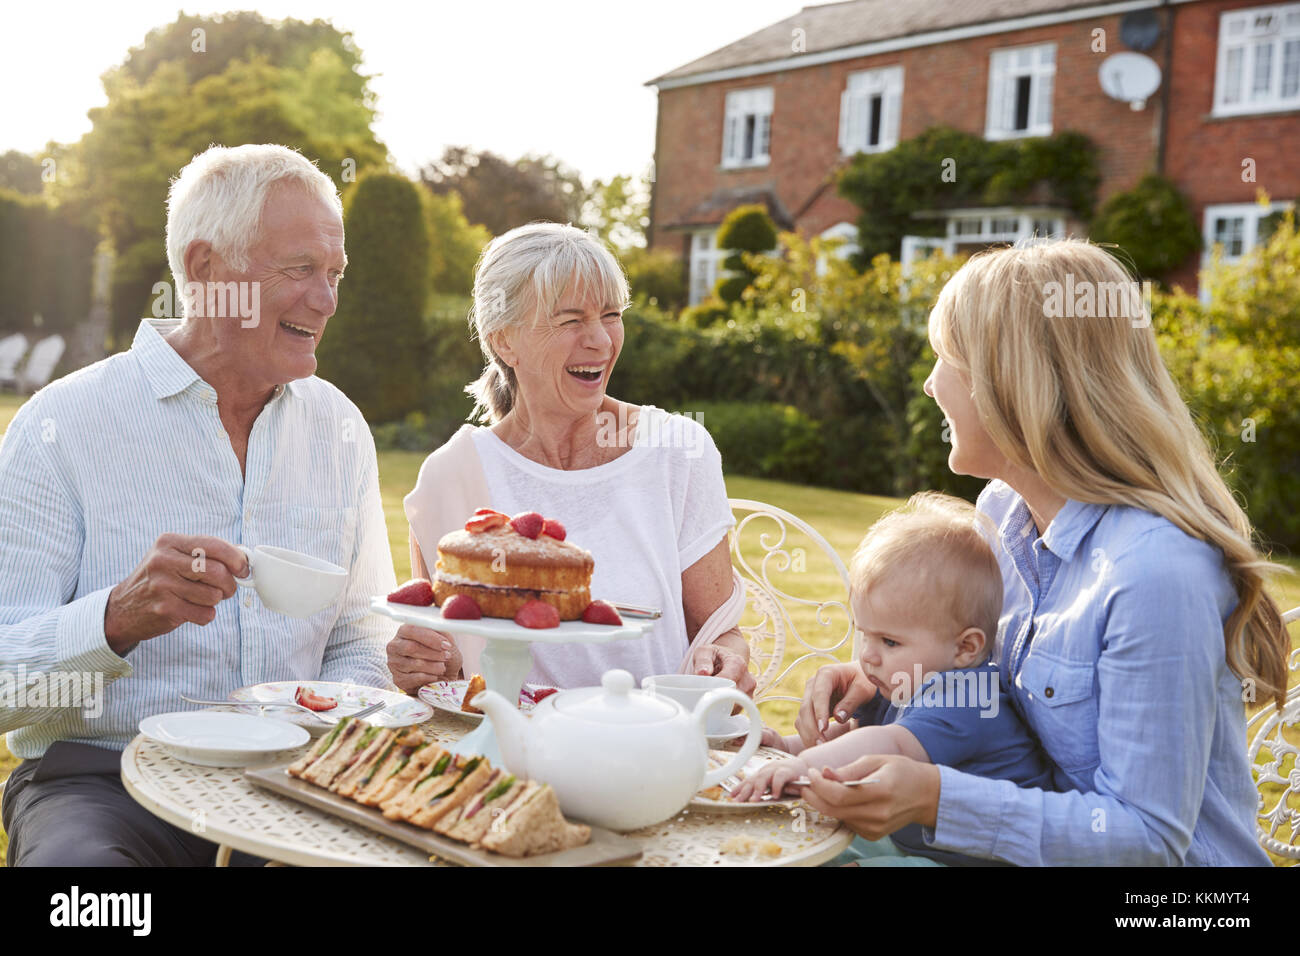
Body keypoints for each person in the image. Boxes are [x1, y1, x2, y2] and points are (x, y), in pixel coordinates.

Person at [793, 239, 1288, 865]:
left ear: (1011, 384)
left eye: (946, 357)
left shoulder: (1154, 573)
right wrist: (892, 678)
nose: (928, 383)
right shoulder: (1002, 515)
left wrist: (937, 800)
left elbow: (1148, 839)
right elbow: (981, 675)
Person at [0, 144, 408, 866]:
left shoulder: (339, 429)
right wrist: (115, 618)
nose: (326, 299)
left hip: (291, 781)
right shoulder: (61, 424)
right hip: (103, 782)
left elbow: (361, 631)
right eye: (299, 269)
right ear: (207, 270)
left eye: (334, 274)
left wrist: (333, 710)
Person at [390, 222, 754, 693]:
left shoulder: (676, 451)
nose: (601, 341)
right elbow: (446, 662)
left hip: (648, 741)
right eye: (571, 320)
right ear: (504, 340)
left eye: (611, 315)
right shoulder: (452, 474)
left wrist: (726, 660)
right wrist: (417, 664)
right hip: (508, 750)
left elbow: (721, 632)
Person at [733, 493, 1052, 866]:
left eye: (889, 641)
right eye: (864, 634)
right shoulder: (905, 679)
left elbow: (890, 744)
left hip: (968, 860)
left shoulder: (968, 697)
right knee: (799, 847)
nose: (867, 655)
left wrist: (802, 768)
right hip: (913, 845)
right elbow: (855, 737)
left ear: (965, 647)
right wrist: (787, 748)